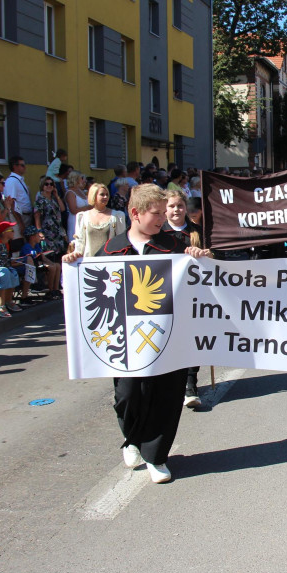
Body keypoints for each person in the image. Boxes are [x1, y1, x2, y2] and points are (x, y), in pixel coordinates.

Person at [64, 185, 211, 483]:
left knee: (166, 396)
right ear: (135, 213)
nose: (162, 219)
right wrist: (73, 265)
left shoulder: (174, 245)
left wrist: (200, 258)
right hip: (126, 342)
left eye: (163, 213)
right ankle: (131, 439)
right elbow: (90, 289)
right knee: (128, 394)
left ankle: (156, 456)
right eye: (155, 214)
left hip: (168, 339)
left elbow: (200, 285)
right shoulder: (111, 249)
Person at [165, 189, 206, 408]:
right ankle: (171, 383)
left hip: (193, 294)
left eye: (180, 206)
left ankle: (190, 384)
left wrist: (206, 255)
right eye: (171, 206)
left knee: (192, 339)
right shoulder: (157, 234)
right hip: (165, 296)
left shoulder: (198, 231)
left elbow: (216, 259)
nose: (176, 210)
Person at [71, 183, 127, 257]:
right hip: (89, 261)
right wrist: (76, 254)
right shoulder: (83, 216)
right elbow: (80, 241)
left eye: (107, 194)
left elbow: (121, 240)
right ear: (94, 196)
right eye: (102, 194)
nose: (105, 197)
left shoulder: (117, 216)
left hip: (110, 261)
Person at [33, 175, 68, 256]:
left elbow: (62, 209)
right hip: (47, 231)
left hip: (58, 230)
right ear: (42, 186)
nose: (49, 186)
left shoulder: (53, 199)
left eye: (51, 184)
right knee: (50, 254)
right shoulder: (40, 200)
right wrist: (39, 231)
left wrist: (57, 196)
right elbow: (37, 216)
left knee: (60, 253)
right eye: (46, 184)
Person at [3, 156, 32, 253]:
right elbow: (12, 203)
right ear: (15, 166)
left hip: (24, 216)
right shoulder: (12, 181)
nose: (25, 167)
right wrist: (20, 223)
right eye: (22, 165)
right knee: (18, 244)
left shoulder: (19, 180)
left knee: (25, 245)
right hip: (18, 217)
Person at [65, 171, 91, 241]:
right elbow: (73, 210)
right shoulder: (70, 193)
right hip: (75, 221)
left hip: (85, 220)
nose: (84, 180)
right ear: (75, 179)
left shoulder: (81, 191)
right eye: (82, 178)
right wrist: (88, 208)